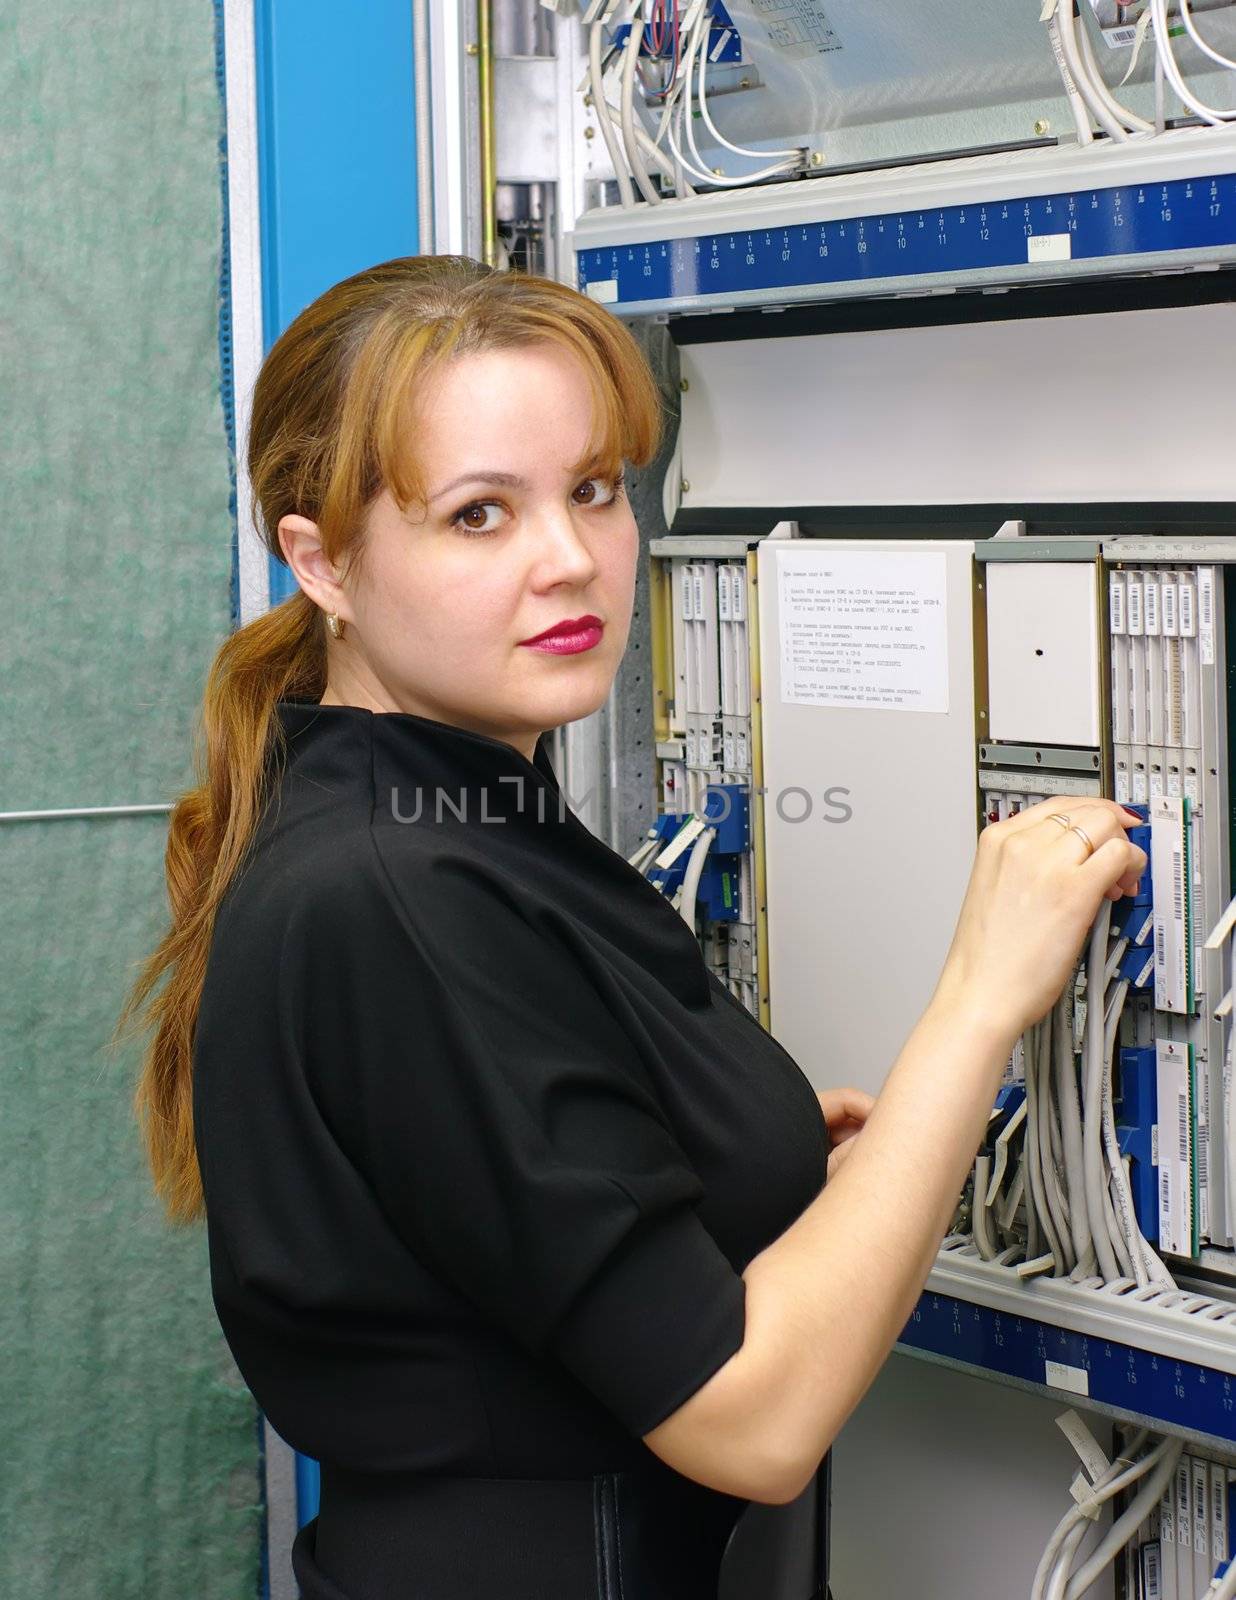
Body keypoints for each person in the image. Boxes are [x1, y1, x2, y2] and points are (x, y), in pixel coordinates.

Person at [116, 255, 1146, 1600]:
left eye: (595, 489)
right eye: (480, 514)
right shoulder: (399, 894)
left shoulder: (462, 820)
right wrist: (979, 995)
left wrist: (763, 1162)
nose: (573, 560)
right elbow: (753, 1422)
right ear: (323, 561)